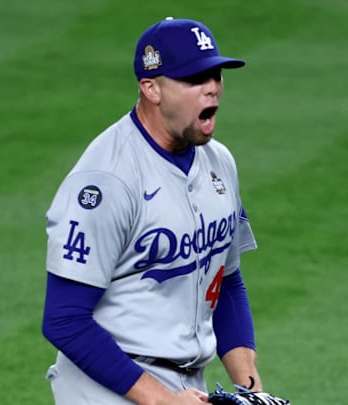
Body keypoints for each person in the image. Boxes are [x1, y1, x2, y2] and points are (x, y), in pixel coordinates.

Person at [41, 17, 263, 405]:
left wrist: (251, 387)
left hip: (186, 387)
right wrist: (160, 400)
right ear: (151, 88)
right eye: (194, 79)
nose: (211, 87)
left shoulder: (219, 163)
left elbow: (226, 282)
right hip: (106, 388)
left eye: (215, 74)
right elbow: (64, 320)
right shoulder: (106, 180)